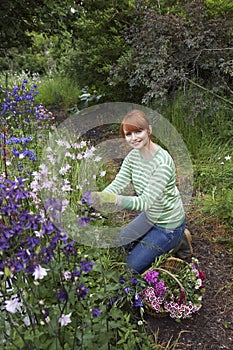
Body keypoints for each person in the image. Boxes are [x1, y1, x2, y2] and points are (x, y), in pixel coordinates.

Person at [92, 109, 192, 274]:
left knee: (130, 268)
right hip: (150, 216)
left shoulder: (162, 163)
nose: (134, 138)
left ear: (149, 130)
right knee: (118, 246)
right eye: (128, 134)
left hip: (168, 225)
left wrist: (115, 200)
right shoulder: (133, 157)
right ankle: (181, 239)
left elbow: (145, 202)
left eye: (138, 131)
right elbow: (119, 182)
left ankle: (177, 239)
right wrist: (102, 196)